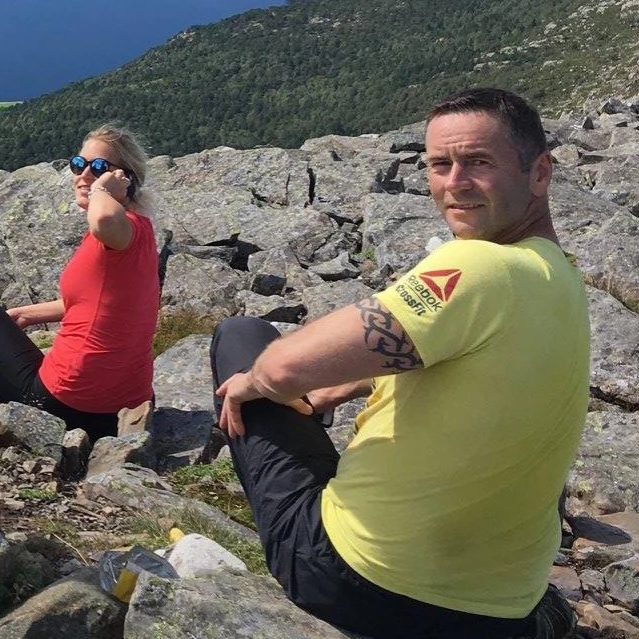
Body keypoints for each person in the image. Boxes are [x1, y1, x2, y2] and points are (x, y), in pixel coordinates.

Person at [211, 87, 583, 638]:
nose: (454, 182)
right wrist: (345, 385)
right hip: (503, 606)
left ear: (539, 172)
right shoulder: (558, 275)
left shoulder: (477, 265)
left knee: (241, 337)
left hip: (367, 585)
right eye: (439, 164)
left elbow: (286, 367)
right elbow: (466, 352)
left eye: (479, 162)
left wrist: (254, 383)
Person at [0, 125, 160, 439]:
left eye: (99, 167)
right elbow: (105, 301)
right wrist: (30, 314)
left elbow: (102, 220)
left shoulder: (119, 229)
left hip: (61, 404)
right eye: (78, 164)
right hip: (119, 412)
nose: (84, 174)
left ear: (124, 180)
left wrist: (101, 191)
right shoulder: (140, 232)